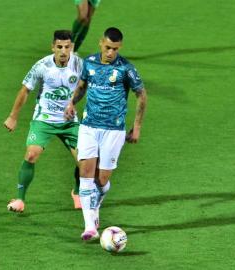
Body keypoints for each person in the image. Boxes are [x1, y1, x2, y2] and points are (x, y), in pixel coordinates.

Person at [64, 27, 147, 240]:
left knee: (101, 180)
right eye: (108, 47)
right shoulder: (89, 62)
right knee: (86, 172)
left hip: (113, 129)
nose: (111, 52)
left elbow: (141, 95)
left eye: (115, 49)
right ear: (101, 43)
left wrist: (136, 127)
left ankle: (96, 205)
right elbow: (82, 85)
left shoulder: (126, 68)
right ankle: (89, 226)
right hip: (89, 126)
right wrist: (72, 103)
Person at [4, 30, 83, 212]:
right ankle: (20, 200)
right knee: (31, 154)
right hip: (44, 119)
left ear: (72, 47)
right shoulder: (42, 66)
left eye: (67, 47)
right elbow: (25, 91)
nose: (63, 51)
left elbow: (88, 86)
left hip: (69, 121)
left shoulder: (79, 65)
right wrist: (13, 116)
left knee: (84, 161)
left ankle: (77, 192)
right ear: (53, 47)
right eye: (59, 47)